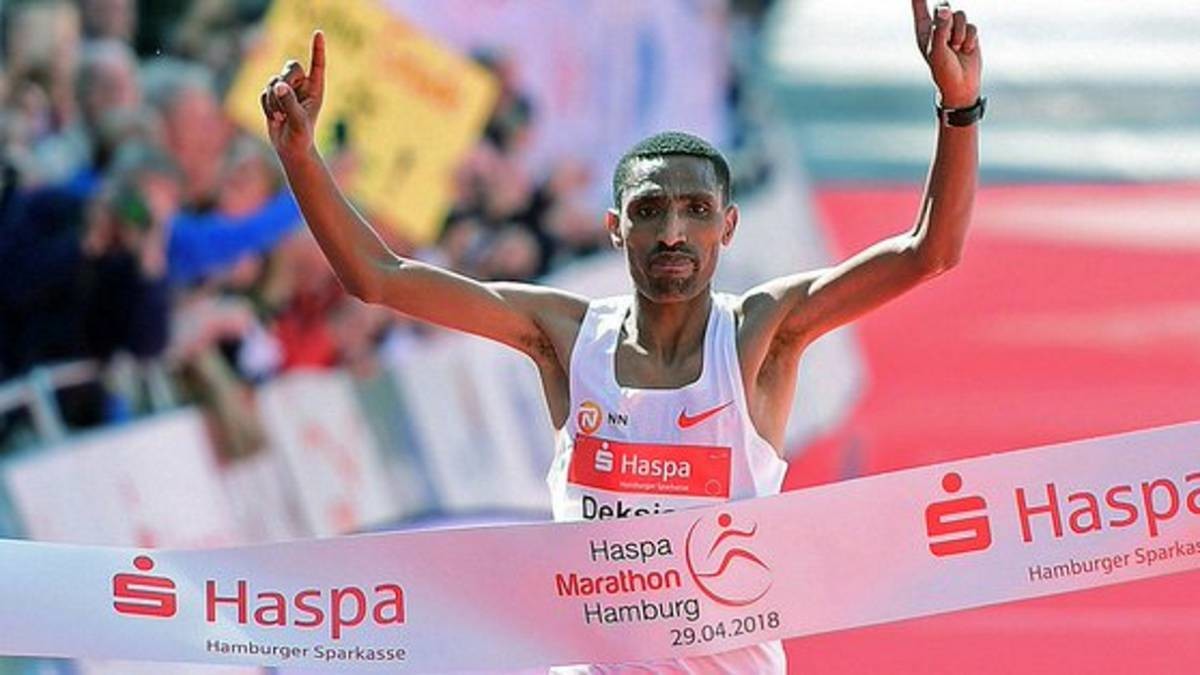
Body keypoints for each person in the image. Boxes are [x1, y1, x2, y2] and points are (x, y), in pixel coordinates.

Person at [258, 1, 982, 672]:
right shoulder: (565, 337)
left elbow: (930, 252)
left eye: (696, 210)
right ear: (614, 227)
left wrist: (958, 109)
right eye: (649, 210)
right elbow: (379, 278)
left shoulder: (760, 333)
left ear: (728, 226)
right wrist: (301, 159)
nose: (673, 232)